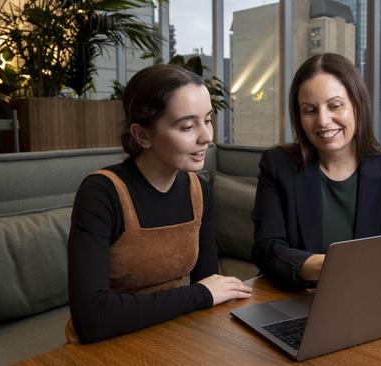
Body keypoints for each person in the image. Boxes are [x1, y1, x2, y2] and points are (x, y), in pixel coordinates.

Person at [67, 64, 252, 344]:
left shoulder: (198, 190)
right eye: (188, 126)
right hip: (107, 344)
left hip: (172, 335)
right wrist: (198, 295)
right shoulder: (101, 193)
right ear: (142, 135)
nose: (207, 136)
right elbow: (92, 318)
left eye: (208, 120)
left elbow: (211, 287)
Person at [252, 53, 381, 291]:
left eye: (335, 106)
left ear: (356, 105)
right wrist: (333, 266)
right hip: (298, 300)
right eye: (310, 110)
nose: (323, 121)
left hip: (372, 302)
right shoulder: (277, 165)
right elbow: (267, 249)